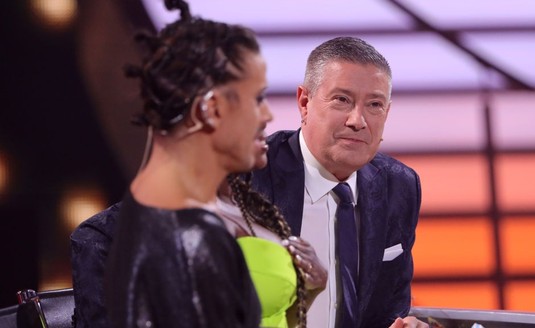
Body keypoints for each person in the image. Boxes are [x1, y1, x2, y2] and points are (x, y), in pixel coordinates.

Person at [100, 0, 272, 326]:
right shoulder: (194, 239)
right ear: (210, 109)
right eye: (257, 99)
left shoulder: (146, 207)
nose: (267, 115)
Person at [250, 37, 428, 328]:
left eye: (374, 104)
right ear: (304, 103)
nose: (358, 120)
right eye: (342, 100)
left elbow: (392, 307)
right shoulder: (251, 173)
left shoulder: (399, 186)